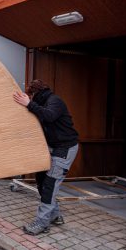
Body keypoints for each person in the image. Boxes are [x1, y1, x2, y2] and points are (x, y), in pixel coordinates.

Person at [12, 79, 79, 236]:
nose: (31, 99)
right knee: (41, 180)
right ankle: (55, 216)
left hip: (65, 148)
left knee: (50, 185)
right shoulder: (41, 104)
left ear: (36, 93)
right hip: (53, 147)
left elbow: (49, 116)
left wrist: (29, 104)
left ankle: (42, 223)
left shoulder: (55, 101)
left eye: (32, 96)